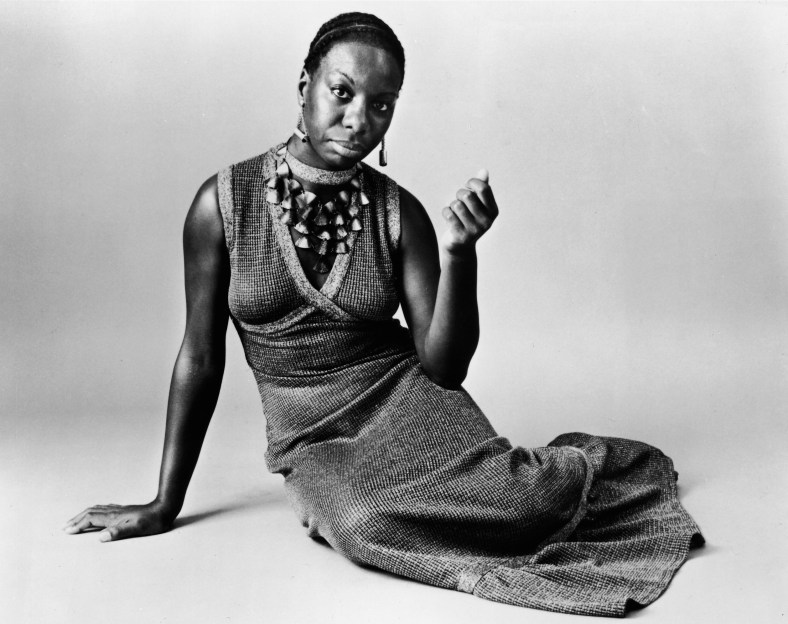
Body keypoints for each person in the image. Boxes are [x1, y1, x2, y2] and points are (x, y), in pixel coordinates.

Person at [63, 12, 703, 617]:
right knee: (362, 522)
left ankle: (595, 467)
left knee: (518, 499)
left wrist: (461, 255)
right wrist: (164, 502)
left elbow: (445, 366)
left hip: (407, 396)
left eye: (381, 104)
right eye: (341, 92)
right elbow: (200, 355)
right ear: (304, 87)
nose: (357, 119)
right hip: (312, 436)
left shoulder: (401, 213)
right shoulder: (222, 205)